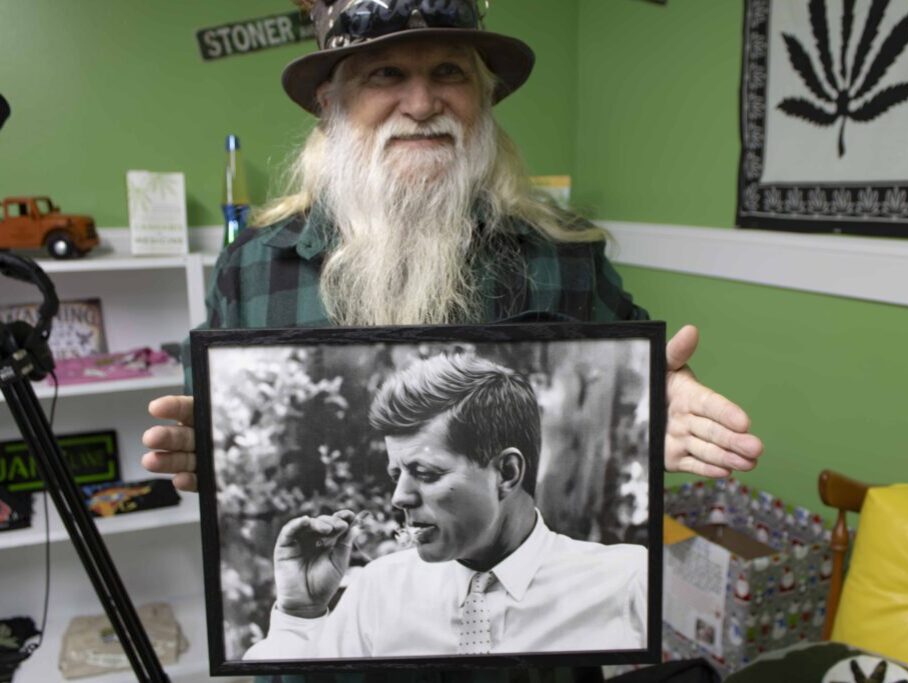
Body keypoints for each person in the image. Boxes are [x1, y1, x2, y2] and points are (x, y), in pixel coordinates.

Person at [142, 0, 763, 680]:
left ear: (483, 99)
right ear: (330, 103)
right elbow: (204, 417)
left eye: (448, 72)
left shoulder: (564, 254)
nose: (421, 102)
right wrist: (212, 451)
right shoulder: (256, 264)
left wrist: (656, 405)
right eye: (384, 74)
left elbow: (643, 380)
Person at [244, 353, 648, 660]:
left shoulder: (629, 582)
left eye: (425, 472)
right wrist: (300, 615)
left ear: (506, 472)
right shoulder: (377, 591)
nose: (398, 497)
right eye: (395, 474)